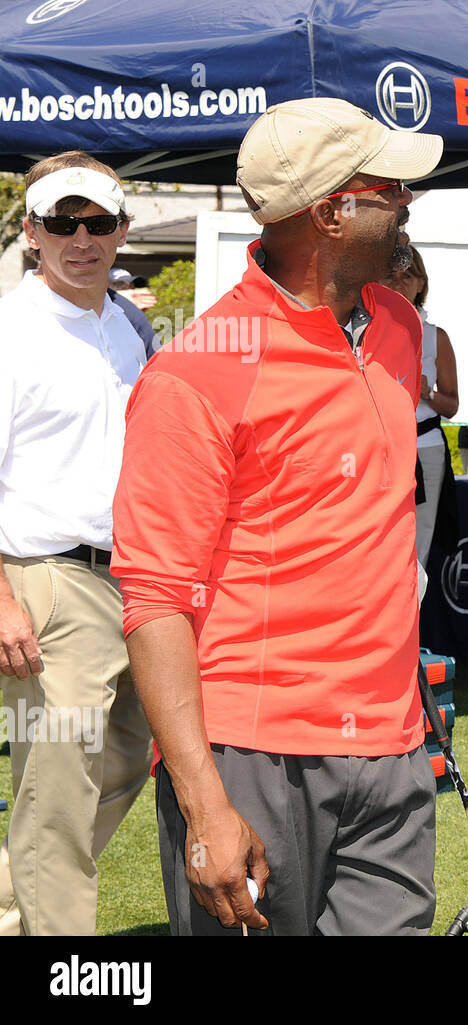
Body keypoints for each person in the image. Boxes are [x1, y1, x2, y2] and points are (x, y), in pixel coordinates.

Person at [111, 97, 444, 935]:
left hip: (394, 748)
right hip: (251, 756)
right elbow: (154, 600)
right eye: (389, 187)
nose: (408, 200)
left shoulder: (399, 326)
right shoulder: (195, 374)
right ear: (333, 211)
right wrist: (204, 805)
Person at [0, 153, 152, 935]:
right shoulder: (9, 329)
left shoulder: (127, 323)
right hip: (45, 584)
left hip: (133, 580)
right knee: (57, 795)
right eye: (62, 221)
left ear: (123, 229)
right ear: (33, 232)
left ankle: (11, 898)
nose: (81, 237)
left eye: (96, 221)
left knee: (129, 754)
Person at [388, 248, 458, 579]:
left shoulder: (435, 336)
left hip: (426, 447)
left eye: (408, 276)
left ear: (421, 284)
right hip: (380, 450)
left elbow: (452, 406)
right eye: (392, 276)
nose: (399, 284)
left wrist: (425, 391)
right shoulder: (366, 330)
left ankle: (412, 626)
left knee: (419, 547)